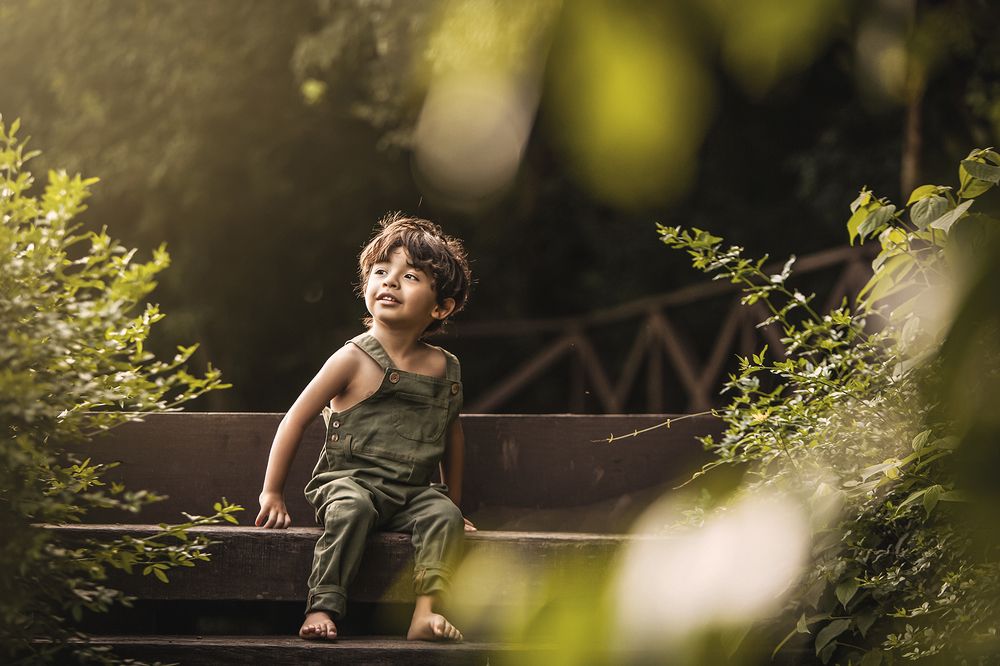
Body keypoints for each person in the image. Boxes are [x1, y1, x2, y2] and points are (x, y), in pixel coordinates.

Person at [255, 212, 476, 642]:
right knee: (352, 510)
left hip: (411, 494)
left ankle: (425, 613)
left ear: (440, 306)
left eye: (409, 276)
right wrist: (272, 491)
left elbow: (452, 437)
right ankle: (321, 606)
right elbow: (295, 419)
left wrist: (454, 502)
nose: (389, 282)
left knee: (443, 514)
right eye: (380, 272)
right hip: (346, 483)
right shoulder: (351, 359)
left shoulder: (444, 368)